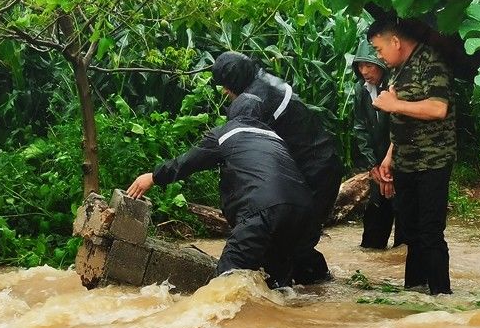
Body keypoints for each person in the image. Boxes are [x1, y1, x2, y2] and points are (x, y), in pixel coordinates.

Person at [126, 93, 313, 288]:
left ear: (233, 113)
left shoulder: (227, 133)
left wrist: (154, 176)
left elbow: (189, 162)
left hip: (262, 209)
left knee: (223, 286)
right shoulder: (275, 138)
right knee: (279, 284)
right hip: (303, 211)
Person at [211, 52, 345, 284]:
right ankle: (317, 289)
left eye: (225, 85)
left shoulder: (252, 102)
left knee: (288, 241)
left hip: (313, 174)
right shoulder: (264, 81)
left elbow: (240, 153)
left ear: (234, 80)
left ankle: (305, 293)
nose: (224, 92)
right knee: (292, 239)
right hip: (318, 167)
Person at [367, 19, 457, 295]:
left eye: (379, 49)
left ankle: (442, 299)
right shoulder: (400, 69)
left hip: (432, 161)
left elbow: (438, 108)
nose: (379, 56)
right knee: (410, 234)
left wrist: (395, 104)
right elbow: (403, 118)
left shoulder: (431, 62)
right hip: (405, 161)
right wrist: (388, 156)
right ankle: (415, 295)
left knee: (430, 234)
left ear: (395, 42)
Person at [351, 39, 404, 249]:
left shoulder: (395, 87)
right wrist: (373, 166)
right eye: (360, 66)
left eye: (369, 65)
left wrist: (389, 167)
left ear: (380, 65)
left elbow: (400, 128)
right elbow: (360, 128)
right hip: (377, 167)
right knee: (374, 226)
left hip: (399, 162)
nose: (364, 71)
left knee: (405, 223)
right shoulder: (360, 90)